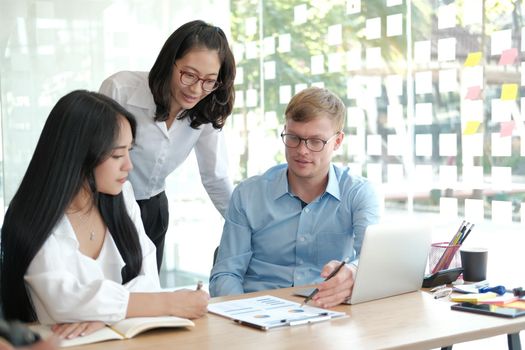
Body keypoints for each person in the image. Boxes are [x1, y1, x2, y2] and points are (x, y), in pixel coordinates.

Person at [0, 91, 208, 338]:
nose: (128, 166)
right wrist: (167, 303)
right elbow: (63, 301)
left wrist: (105, 313)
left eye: (130, 151)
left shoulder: (123, 197)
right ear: (77, 157)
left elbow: (149, 278)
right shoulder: (32, 217)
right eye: (117, 155)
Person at [209, 87, 381, 307]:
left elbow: (372, 262)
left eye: (316, 141)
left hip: (328, 313)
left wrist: (353, 273)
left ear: (337, 142)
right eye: (293, 138)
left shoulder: (358, 194)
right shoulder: (248, 195)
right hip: (258, 316)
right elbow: (226, 274)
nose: (302, 151)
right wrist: (242, 315)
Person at [99, 20, 236, 271]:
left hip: (153, 209)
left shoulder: (206, 110)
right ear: (169, 61)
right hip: (107, 205)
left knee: (148, 292)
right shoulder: (120, 89)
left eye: (209, 80)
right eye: (189, 75)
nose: (196, 89)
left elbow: (216, 176)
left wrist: (244, 225)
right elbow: (90, 158)